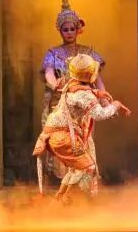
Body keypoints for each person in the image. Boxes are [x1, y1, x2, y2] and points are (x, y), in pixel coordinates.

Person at [32, 54, 130, 203]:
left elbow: (80, 92)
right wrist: (115, 105)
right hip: (63, 136)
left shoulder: (70, 83)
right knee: (88, 168)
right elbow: (99, 114)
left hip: (53, 134)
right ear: (90, 75)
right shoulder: (84, 95)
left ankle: (58, 199)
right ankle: (65, 200)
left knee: (75, 168)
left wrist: (97, 92)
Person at [39, 0, 106, 179]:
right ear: (60, 31)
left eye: (72, 29)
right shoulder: (53, 53)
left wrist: (103, 96)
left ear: (78, 29)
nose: (69, 32)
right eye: (65, 29)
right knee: (63, 141)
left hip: (83, 104)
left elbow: (97, 78)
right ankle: (65, 181)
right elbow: (49, 73)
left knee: (84, 140)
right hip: (61, 103)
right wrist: (56, 85)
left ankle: (83, 180)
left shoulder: (88, 53)